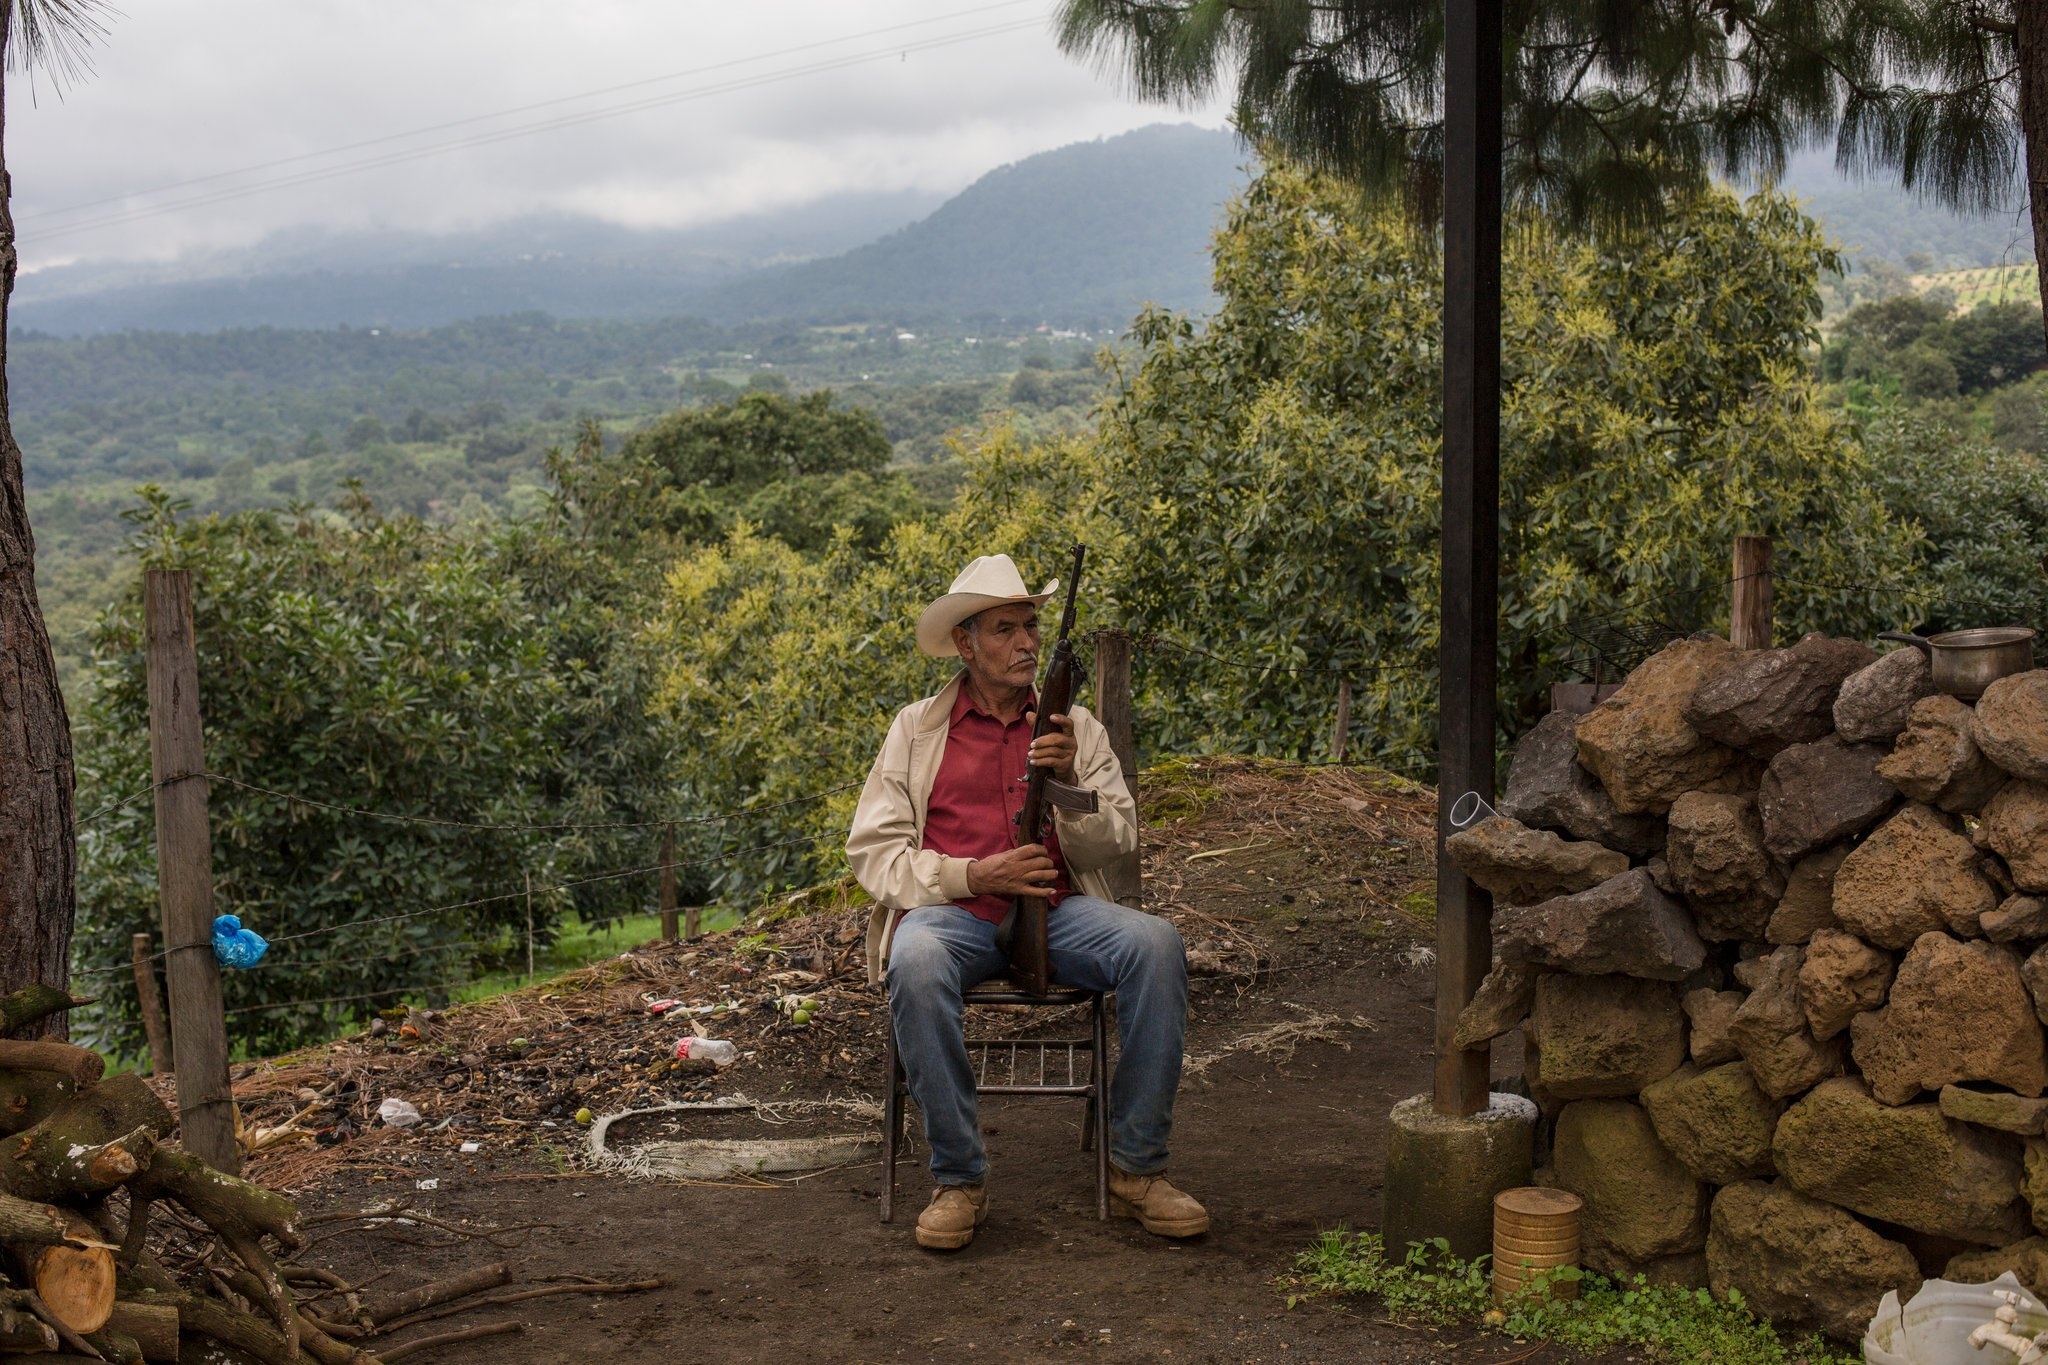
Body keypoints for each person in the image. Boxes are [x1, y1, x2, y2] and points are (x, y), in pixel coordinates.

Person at [847, 553, 1207, 1251]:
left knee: (1156, 944)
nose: (1027, 643)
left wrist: (1070, 781)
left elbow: (1117, 842)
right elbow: (875, 856)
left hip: (1061, 910)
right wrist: (977, 874)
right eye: (1005, 629)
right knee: (914, 961)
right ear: (965, 643)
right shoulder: (916, 729)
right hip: (951, 915)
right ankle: (960, 1179)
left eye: (1031, 626)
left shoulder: (1077, 729)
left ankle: (1137, 1169)